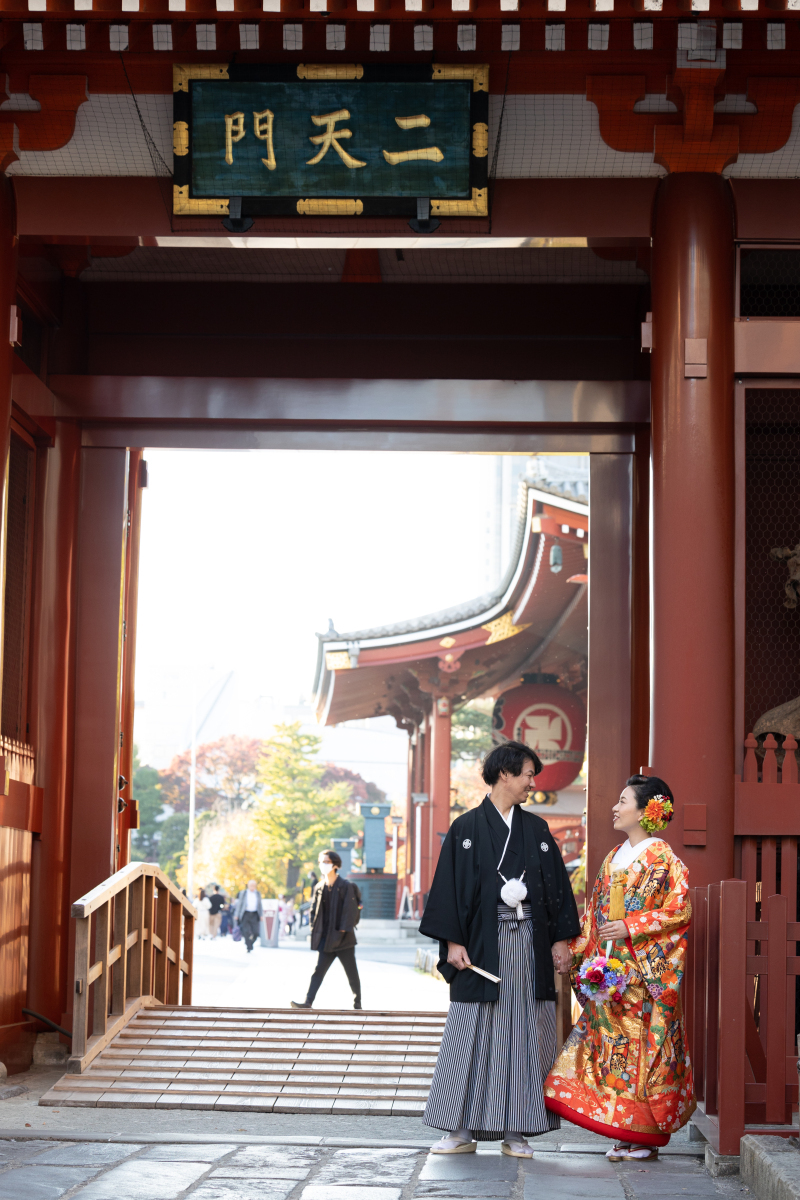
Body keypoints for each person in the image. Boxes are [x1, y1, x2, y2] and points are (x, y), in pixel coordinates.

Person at [420, 741, 580, 1159]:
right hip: (480, 945)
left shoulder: (538, 831)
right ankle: (459, 1129)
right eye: (528, 774)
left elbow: (556, 890)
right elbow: (448, 890)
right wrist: (452, 940)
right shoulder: (466, 828)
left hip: (527, 944)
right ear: (504, 774)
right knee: (470, 1032)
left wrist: (560, 940)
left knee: (525, 1034)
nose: (532, 782)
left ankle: (516, 1129)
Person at [544, 775, 696, 1161]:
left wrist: (631, 926)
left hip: (643, 974)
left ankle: (644, 1135)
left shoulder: (664, 859)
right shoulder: (614, 857)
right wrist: (578, 953)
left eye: (623, 800)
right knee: (615, 1053)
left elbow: (679, 910)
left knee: (643, 1050)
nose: (615, 806)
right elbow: (593, 916)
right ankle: (623, 1129)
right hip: (609, 972)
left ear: (647, 810)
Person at [291, 851, 363, 1010]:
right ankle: (308, 1002)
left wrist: (342, 932)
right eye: (321, 861)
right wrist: (314, 929)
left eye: (326, 861)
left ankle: (357, 1003)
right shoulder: (319, 887)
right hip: (326, 939)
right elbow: (313, 911)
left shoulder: (346, 886)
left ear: (335, 865)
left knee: (351, 973)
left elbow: (349, 913)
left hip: (344, 940)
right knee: (318, 971)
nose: (323, 865)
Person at [234, 880, 264, 953]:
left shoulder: (257, 894)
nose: (252, 887)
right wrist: (236, 914)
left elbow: (260, 905)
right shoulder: (243, 893)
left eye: (254, 886)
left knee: (256, 932)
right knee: (246, 931)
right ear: (248, 886)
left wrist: (261, 915)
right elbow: (239, 904)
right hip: (245, 914)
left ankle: (250, 943)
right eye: (251, 886)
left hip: (254, 914)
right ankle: (248, 946)